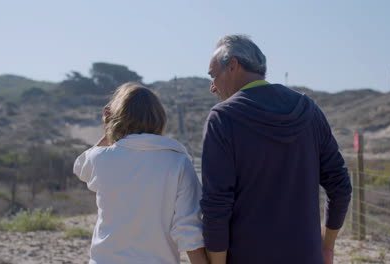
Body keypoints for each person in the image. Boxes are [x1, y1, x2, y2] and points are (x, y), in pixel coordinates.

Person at [200, 35, 352, 264]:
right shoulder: (308, 110)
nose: (212, 87)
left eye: (213, 76)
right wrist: (326, 246)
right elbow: (340, 186)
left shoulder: (222, 119)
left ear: (233, 66)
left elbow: (216, 207)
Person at [73, 82, 208, 264]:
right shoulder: (178, 162)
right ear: (160, 118)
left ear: (115, 118)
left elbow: (80, 168)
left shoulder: (101, 158)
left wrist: (108, 131)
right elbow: (188, 228)